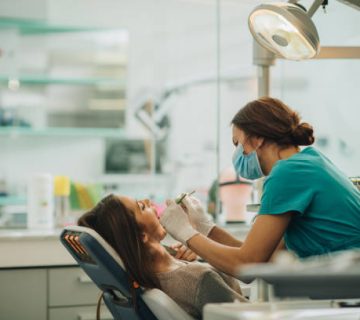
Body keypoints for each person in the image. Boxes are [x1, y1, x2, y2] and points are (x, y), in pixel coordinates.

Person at [160, 97, 360, 277]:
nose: (238, 154)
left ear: (257, 139)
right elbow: (265, 258)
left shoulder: (288, 173)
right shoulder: (308, 161)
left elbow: (246, 265)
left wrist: (185, 233)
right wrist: (206, 228)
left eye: (238, 144)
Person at [78, 194, 247, 319]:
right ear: (141, 236)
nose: (149, 202)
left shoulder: (147, 277)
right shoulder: (200, 279)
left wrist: (199, 243)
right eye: (142, 207)